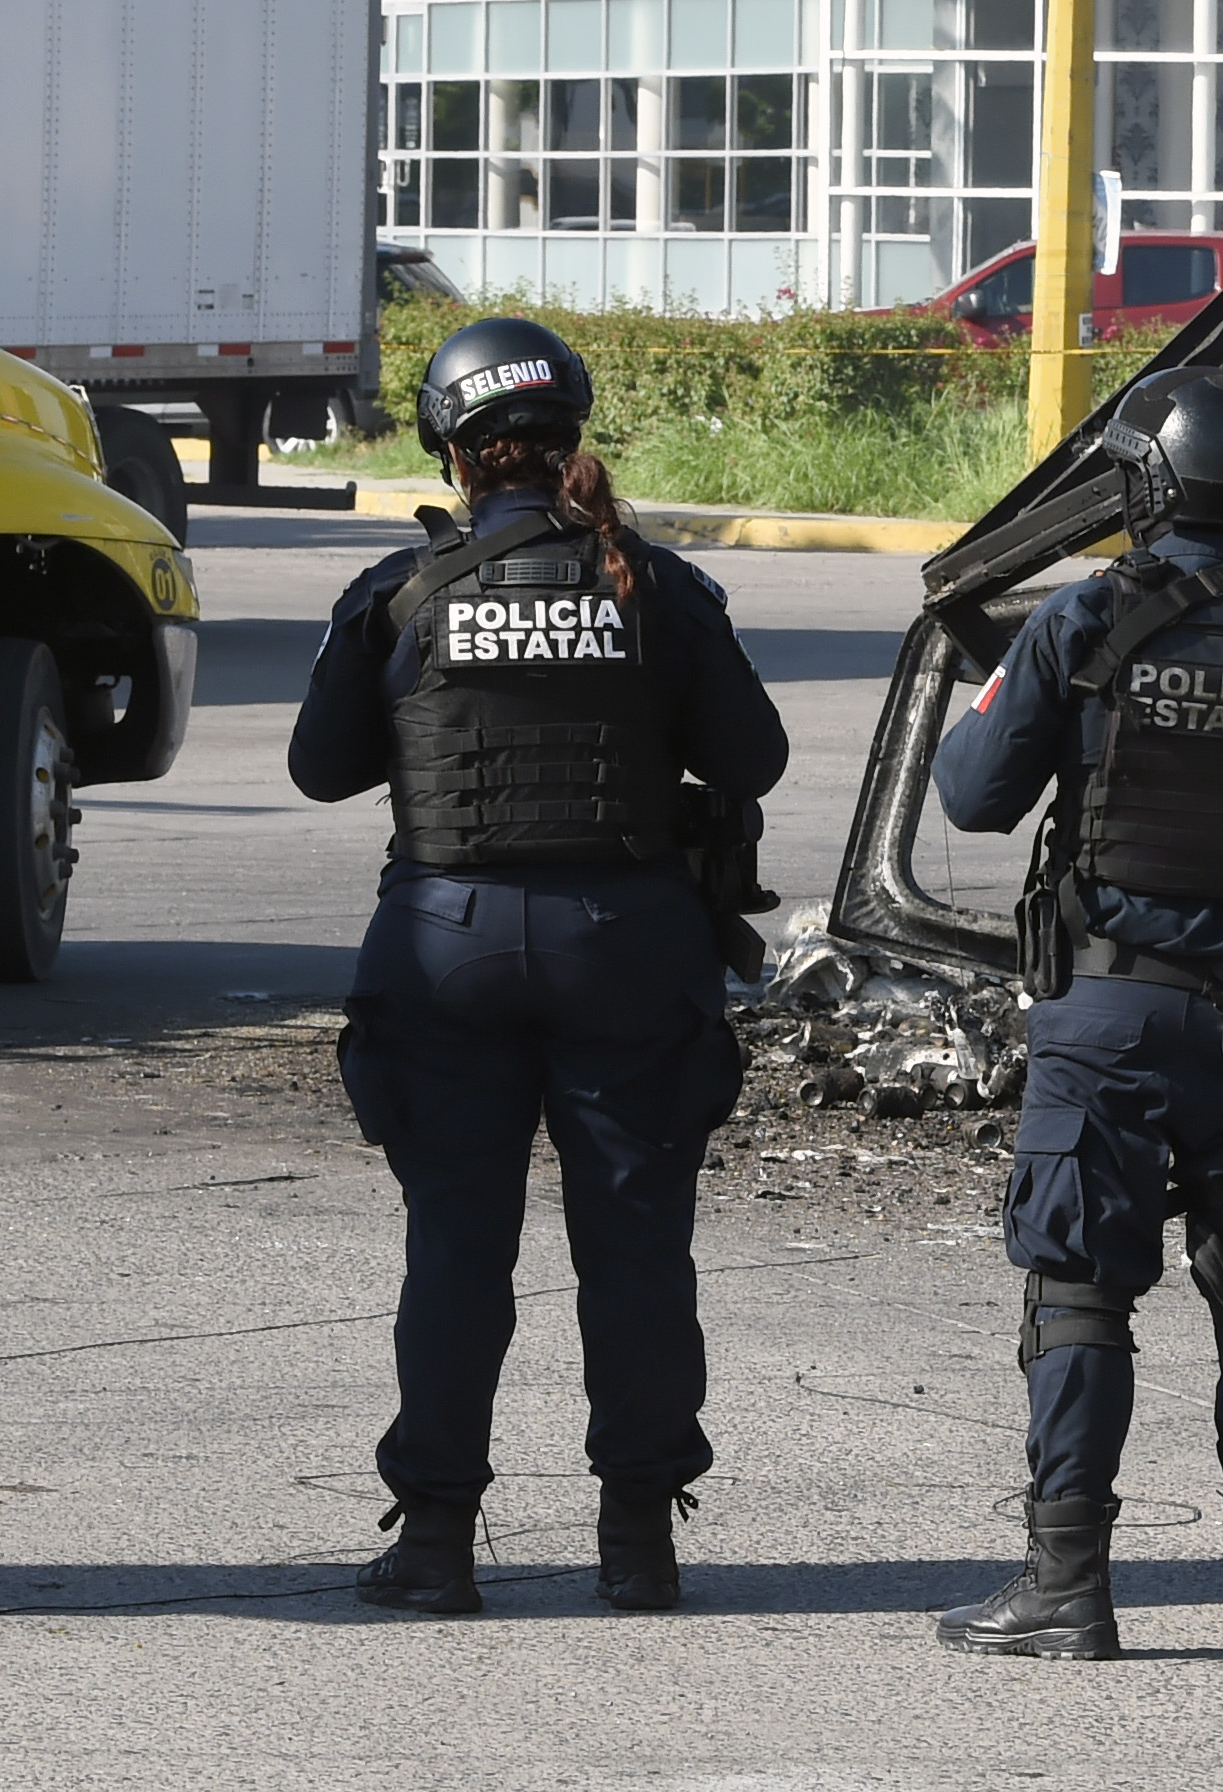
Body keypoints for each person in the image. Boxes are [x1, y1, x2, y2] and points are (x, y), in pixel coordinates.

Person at [289, 315, 788, 1620]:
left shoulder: (405, 591)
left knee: (457, 1246)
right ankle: (637, 1544)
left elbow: (317, 767)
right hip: (625, 944)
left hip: (445, 945)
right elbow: (754, 761)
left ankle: (439, 1543)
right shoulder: (654, 584)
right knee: (635, 1251)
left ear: (451, 451)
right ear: (571, 435)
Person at [926, 370, 1223, 1663]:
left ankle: (1068, 1591)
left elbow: (971, 798)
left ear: (1148, 485)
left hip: (1110, 1023)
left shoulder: (1086, 620)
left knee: (1079, 1303)